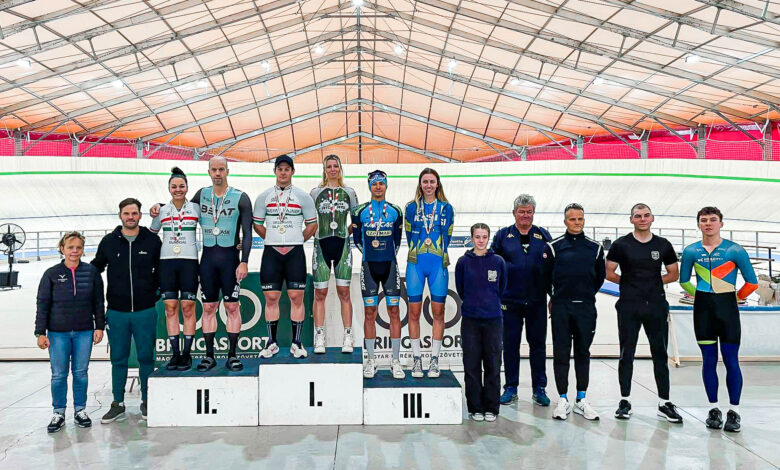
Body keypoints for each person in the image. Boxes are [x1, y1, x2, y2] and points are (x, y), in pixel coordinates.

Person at [151, 156, 253, 372]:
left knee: (232, 307)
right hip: (207, 261)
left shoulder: (241, 197)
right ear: (209, 172)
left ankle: (232, 355)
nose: (218, 173)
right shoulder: (201, 195)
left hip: (230, 260)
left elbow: (247, 233)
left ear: (227, 171)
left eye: (221, 169)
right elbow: (180, 206)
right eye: (214, 170)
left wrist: (244, 261)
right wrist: (158, 206)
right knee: (208, 307)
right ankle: (209, 356)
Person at [680, 206, 758, 432]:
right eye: (703, 220)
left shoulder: (735, 250)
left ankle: (734, 411)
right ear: (698, 224)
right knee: (708, 361)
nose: (708, 223)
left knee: (732, 361)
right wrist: (701, 297)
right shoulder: (691, 251)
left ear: (721, 224)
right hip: (703, 311)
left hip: (728, 310)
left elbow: (752, 283)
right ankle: (713, 409)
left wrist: (734, 298)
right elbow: (684, 281)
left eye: (712, 219)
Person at [606, 203, 683, 422]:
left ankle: (664, 402)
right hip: (629, 305)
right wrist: (630, 284)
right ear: (631, 219)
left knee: (660, 353)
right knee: (626, 353)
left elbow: (673, 273)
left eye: (646, 215)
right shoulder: (621, 245)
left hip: (656, 305)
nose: (642, 219)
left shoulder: (663, 244)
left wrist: (651, 283)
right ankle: (625, 400)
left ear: (652, 218)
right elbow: (609, 272)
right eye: (638, 216)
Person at [92, 198, 161, 423]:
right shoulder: (109, 241)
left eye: (134, 213)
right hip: (117, 311)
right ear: (120, 215)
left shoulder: (152, 240)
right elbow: (95, 268)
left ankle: (147, 400)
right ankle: (117, 403)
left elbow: (161, 269)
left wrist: (155, 292)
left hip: (145, 310)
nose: (130, 217)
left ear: (140, 215)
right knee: (118, 358)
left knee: (146, 357)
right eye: (126, 213)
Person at [36, 232, 105, 433]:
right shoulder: (51, 274)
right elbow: (43, 304)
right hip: (58, 333)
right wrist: (40, 332)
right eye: (70, 247)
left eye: (79, 247)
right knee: (59, 374)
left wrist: (99, 326)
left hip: (84, 331)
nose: (75, 251)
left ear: (83, 249)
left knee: (81, 373)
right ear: (62, 249)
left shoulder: (91, 272)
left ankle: (80, 410)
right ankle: (58, 412)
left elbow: (98, 302)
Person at [543, 203, 605, 421]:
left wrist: (584, 295)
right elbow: (546, 278)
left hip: (586, 309)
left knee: (582, 353)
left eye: (580, 219)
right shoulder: (554, 247)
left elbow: (599, 278)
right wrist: (558, 297)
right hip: (561, 308)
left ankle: (581, 398)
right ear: (565, 221)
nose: (577, 222)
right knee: (561, 353)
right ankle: (562, 399)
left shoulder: (595, 248)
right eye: (572, 219)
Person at [254, 155, 318, 359]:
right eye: (280, 169)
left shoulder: (303, 197)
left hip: (295, 253)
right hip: (271, 253)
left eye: (287, 169)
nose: (283, 172)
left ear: (292, 172)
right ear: (275, 171)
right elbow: (257, 224)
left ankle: (296, 343)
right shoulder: (264, 197)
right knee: (271, 298)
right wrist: (272, 238)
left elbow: (312, 225)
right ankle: (271, 343)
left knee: (296, 297)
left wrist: (297, 239)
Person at [491, 194, 552, 406]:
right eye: (521, 212)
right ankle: (510, 387)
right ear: (514, 213)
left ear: (533, 213)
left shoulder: (543, 235)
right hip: (509, 301)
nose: (525, 215)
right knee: (510, 345)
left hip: (537, 301)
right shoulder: (502, 236)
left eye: (529, 212)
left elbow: (552, 268)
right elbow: (492, 265)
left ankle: (539, 388)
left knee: (538, 346)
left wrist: (552, 295)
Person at [353, 170, 404, 379]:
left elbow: (397, 240)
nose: (378, 187)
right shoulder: (359, 211)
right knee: (369, 313)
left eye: (381, 183)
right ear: (369, 186)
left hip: (390, 265)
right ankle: (371, 360)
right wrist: (370, 254)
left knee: (394, 311)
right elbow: (357, 240)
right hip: (369, 266)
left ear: (386, 185)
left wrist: (386, 254)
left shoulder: (395, 211)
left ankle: (395, 361)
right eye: (374, 184)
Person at [404, 168, 454, 379]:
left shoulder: (446, 208)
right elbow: (409, 235)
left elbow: (447, 236)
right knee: (413, 313)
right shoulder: (411, 207)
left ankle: (434, 360)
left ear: (437, 184)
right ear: (420, 184)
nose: (428, 185)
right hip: (415, 264)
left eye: (432, 181)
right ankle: (417, 359)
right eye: (425, 181)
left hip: (438, 265)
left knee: (438, 313)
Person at [149, 167, 200, 371]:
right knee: (170, 308)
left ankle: (186, 354)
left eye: (181, 186)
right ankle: (175, 354)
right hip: (167, 263)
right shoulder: (161, 210)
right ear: (169, 188)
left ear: (187, 187)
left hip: (189, 262)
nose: (178, 189)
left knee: (188, 307)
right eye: (174, 186)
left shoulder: (195, 208)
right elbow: (152, 234)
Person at [456, 223, 506, 422]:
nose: (481, 240)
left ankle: (491, 407)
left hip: (493, 320)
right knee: (472, 364)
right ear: (472, 238)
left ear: (488, 238)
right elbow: (461, 288)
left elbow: (502, 288)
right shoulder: (463, 262)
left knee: (493, 364)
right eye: (477, 236)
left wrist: (490, 303)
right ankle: (475, 407)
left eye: (484, 237)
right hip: (471, 321)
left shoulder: (498, 262)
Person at [309, 154, 358, 353]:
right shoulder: (315, 192)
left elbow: (356, 220)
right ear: (324, 169)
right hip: (320, 245)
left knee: (344, 293)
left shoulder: (349, 192)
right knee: (320, 293)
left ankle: (348, 336)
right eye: (328, 166)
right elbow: (309, 219)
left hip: (342, 246)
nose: (332, 169)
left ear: (340, 169)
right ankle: (319, 335)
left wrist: (346, 232)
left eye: (335, 166)